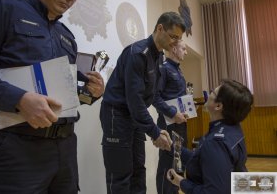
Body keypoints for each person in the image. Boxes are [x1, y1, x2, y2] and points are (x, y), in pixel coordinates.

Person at [0, 0, 104, 193]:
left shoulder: (67, 37)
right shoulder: (4, 9)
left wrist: (92, 94)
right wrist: (18, 99)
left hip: (65, 148)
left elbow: (67, 98)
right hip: (17, 147)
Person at [99, 12, 186, 194]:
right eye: (173, 37)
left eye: (178, 39)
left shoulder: (158, 57)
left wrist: (157, 128)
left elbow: (152, 95)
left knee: (139, 170)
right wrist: (155, 132)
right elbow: (135, 100)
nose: (175, 43)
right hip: (118, 115)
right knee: (121, 175)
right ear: (160, 28)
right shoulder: (137, 54)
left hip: (135, 117)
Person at [167, 79, 253, 194]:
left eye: (212, 92)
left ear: (218, 106)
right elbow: (203, 159)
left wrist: (181, 182)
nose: (209, 93)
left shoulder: (215, 142)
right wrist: (172, 146)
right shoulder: (233, 128)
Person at [152, 39, 188, 194]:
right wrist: (173, 113)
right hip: (168, 123)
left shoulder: (179, 70)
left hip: (180, 123)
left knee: (178, 162)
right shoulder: (164, 69)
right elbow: (154, 97)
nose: (186, 52)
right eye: (184, 49)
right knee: (168, 162)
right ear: (174, 49)